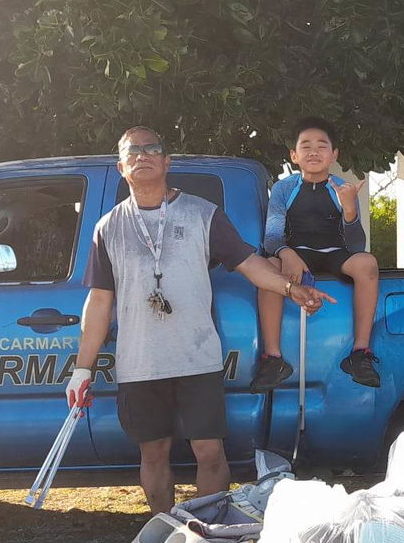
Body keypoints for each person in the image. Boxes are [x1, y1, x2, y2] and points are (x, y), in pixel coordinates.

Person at [67, 127, 335, 513]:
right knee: (153, 452)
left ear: (166, 161)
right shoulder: (108, 227)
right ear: (121, 166)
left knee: (209, 451)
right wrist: (82, 369)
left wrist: (291, 290)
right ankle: (164, 532)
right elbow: (99, 300)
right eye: (133, 152)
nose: (142, 156)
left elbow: (250, 265)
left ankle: (208, 529)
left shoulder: (202, 214)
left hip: (197, 358)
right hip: (140, 363)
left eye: (151, 149)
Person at [250, 117, 382, 391]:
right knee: (267, 267)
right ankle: (273, 357)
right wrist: (286, 253)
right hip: (296, 254)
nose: (313, 151)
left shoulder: (342, 188)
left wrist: (349, 211)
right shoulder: (284, 188)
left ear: (334, 155)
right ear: (294, 155)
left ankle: (360, 353)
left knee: (367, 263)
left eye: (322, 146)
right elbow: (272, 236)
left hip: (335, 253)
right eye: (305, 145)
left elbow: (356, 246)